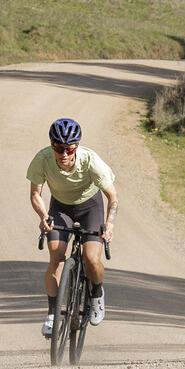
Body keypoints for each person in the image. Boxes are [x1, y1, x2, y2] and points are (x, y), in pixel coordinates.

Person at [26, 117, 118, 334]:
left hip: (90, 207)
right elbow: (35, 194)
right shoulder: (42, 159)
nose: (64, 154)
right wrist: (43, 216)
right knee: (56, 258)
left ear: (76, 146)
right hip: (60, 207)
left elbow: (113, 197)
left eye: (69, 148)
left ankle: (96, 293)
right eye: (58, 148)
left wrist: (109, 224)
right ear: (52, 145)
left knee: (92, 259)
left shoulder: (91, 160)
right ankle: (52, 314)